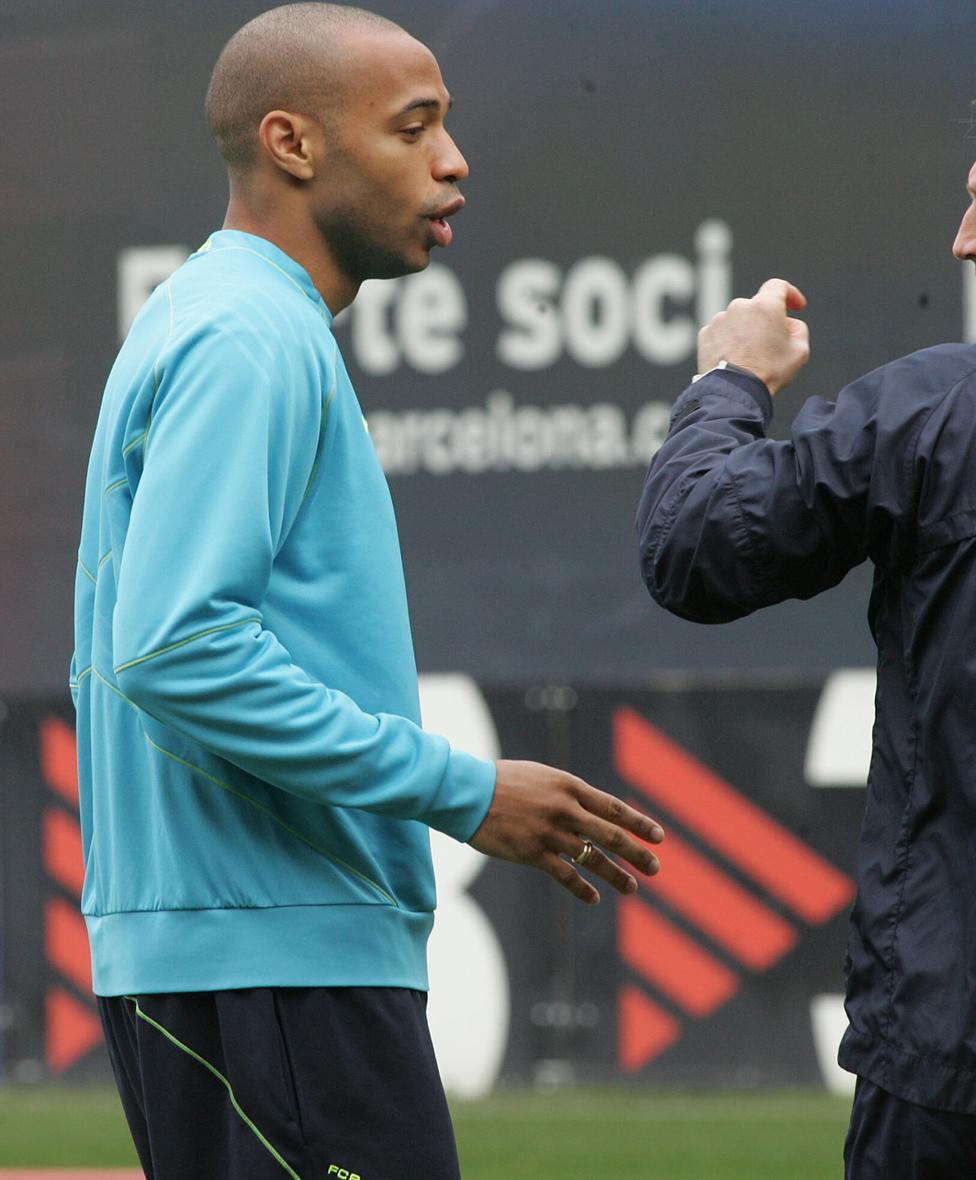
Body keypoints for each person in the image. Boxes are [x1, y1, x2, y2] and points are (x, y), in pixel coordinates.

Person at [71, 5, 663, 1178]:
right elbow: (175, 647)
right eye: (415, 127)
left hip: (245, 965)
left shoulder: (223, 316)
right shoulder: (250, 336)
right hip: (271, 968)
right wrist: (460, 789)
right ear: (293, 143)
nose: (454, 161)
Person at [637, 49, 976, 1179]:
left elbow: (694, 548)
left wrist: (728, 387)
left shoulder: (944, 405)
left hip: (965, 1070)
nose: (962, 239)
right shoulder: (947, 404)